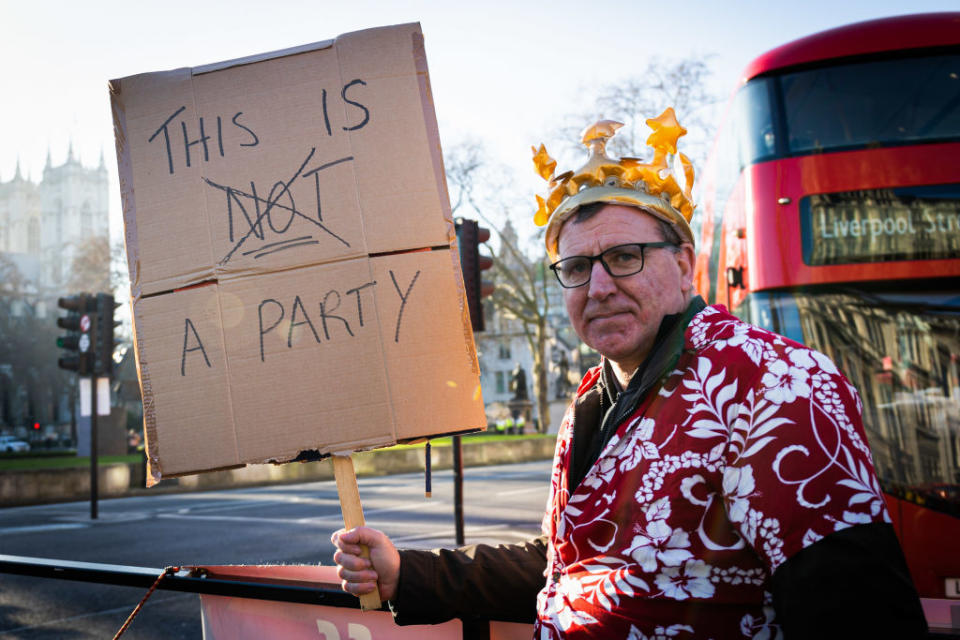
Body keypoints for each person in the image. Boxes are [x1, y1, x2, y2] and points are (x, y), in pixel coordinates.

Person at [332, 111, 927, 638]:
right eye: (576, 266)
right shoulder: (593, 396)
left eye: (624, 257)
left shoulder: (776, 385)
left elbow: (859, 614)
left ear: (685, 264)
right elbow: (567, 566)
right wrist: (409, 573)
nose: (598, 287)